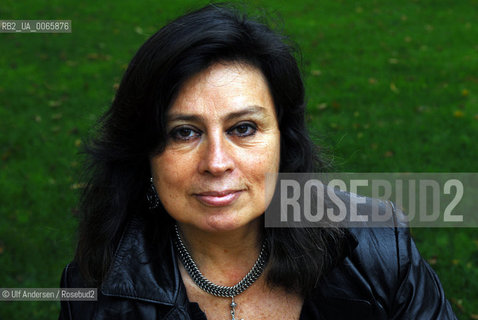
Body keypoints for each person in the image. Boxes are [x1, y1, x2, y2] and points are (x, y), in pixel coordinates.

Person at [59, 3, 457, 319]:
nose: (216, 163)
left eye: (244, 128)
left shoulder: (379, 248)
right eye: (184, 132)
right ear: (143, 152)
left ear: (285, 140)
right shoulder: (94, 293)